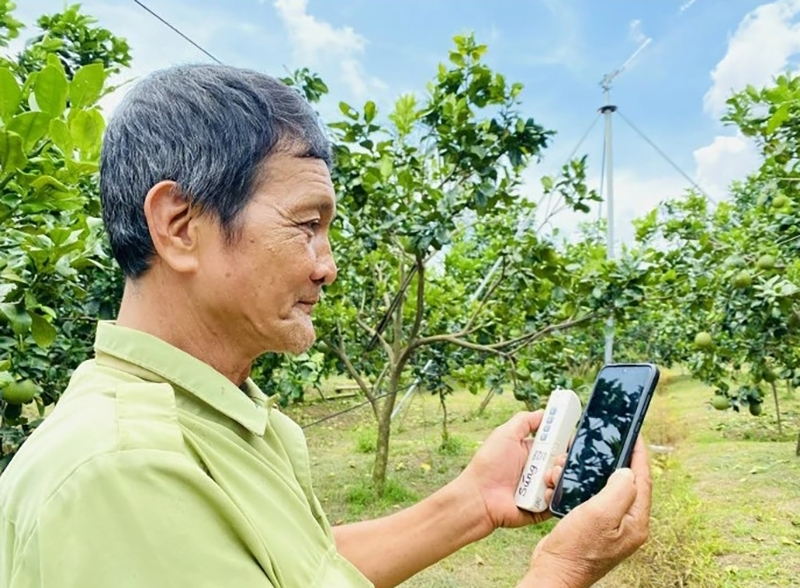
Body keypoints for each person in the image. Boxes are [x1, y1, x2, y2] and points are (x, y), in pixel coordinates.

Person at [0, 64, 651, 588]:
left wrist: (473, 501)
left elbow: (300, 568)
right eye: (306, 225)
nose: (327, 267)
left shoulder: (218, 419)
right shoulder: (126, 472)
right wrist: (560, 571)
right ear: (179, 226)